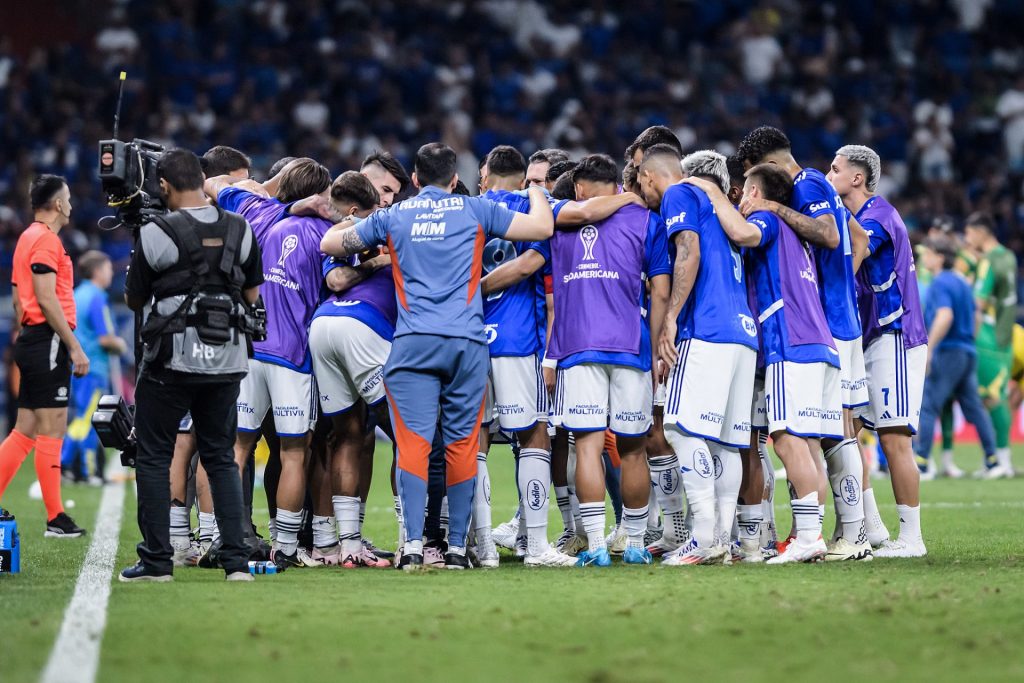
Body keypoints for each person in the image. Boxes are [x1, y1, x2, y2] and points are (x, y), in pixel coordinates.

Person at [321, 142, 554, 570]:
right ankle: (457, 550)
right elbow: (541, 229)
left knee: (412, 444)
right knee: (462, 444)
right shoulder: (474, 210)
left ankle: (411, 546)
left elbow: (329, 242)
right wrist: (534, 190)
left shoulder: (395, 215)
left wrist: (362, 221)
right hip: (466, 343)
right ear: (453, 180)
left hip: (412, 344)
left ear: (413, 179)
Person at [119, 148, 263, 582]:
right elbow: (253, 297)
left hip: (170, 361)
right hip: (227, 359)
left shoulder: (155, 230)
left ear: (163, 186)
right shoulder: (241, 228)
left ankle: (157, 562)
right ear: (203, 179)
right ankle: (237, 563)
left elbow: (135, 299)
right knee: (221, 456)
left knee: (155, 454)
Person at [738, 126, 871, 563]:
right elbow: (859, 241)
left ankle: (854, 533)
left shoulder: (806, 184)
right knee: (818, 434)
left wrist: (773, 206)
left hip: (818, 324)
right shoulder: (811, 188)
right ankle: (827, 532)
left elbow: (833, 236)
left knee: (830, 436)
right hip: (826, 318)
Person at [709, 163, 843, 563]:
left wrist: (713, 196)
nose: (740, 199)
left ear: (756, 193)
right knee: (810, 446)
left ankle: (808, 539)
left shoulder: (767, 218)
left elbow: (743, 233)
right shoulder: (796, 234)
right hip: (821, 345)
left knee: (785, 439)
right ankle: (812, 535)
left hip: (791, 342)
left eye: (744, 192)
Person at [547, 154, 670, 567]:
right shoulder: (646, 221)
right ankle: (634, 542)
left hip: (578, 346)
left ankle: (596, 544)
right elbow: (661, 293)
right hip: (630, 346)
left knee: (587, 446)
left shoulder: (557, 217)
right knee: (634, 449)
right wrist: (654, 349)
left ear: (578, 187)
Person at [640, 147, 758, 564]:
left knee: (680, 429)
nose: (641, 188)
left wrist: (671, 317)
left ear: (652, 175)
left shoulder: (680, 192)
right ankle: (723, 540)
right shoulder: (722, 207)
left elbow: (688, 250)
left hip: (706, 328)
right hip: (743, 332)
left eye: (640, 179)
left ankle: (704, 536)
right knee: (727, 442)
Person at [475, 145, 575, 568]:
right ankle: (534, 545)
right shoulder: (537, 210)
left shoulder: (466, 209)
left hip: (470, 339)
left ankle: (480, 546)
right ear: (522, 179)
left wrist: (466, 292)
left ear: (486, 175)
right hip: (518, 340)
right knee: (533, 434)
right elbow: (529, 263)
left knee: (473, 439)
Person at [829, 144, 928, 558]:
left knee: (893, 439)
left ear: (857, 178)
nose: (828, 175)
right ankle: (871, 526)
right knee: (846, 432)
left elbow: (855, 252)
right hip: (869, 338)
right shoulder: (856, 216)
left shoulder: (878, 215)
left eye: (835, 169)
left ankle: (912, 539)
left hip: (896, 337)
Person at [306, 173, 393, 568]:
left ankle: (349, 547)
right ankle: (417, 540)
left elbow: (338, 277)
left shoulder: (339, 234)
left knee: (348, 435)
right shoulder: (394, 229)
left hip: (323, 327)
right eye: (385, 192)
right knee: (409, 434)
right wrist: (379, 262)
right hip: (364, 329)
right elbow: (338, 279)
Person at [0, 174, 88, 537]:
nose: (71, 204)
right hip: (49, 338)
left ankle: (55, 517)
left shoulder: (26, 238)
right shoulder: (46, 240)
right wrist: (73, 345)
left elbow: (21, 297)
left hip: (33, 337)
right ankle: (55, 517)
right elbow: (46, 296)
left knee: (26, 429)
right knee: (52, 428)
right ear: (56, 204)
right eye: (67, 198)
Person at [914, 239, 997, 474]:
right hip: (967, 351)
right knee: (974, 407)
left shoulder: (940, 282)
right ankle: (992, 460)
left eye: (929, 253)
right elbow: (976, 314)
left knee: (929, 405)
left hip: (949, 350)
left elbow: (944, 315)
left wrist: (929, 348)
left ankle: (921, 462)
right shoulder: (961, 281)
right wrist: (969, 340)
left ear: (940, 257)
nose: (925, 259)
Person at [60, 250, 127, 483]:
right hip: (94, 367)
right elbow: (105, 338)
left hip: (77, 366)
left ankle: (67, 466)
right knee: (88, 418)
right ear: (97, 271)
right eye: (108, 269)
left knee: (81, 416)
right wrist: (120, 345)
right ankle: (82, 469)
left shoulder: (77, 294)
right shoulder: (98, 297)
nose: (111, 274)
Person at [964, 212, 1018, 478]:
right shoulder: (1008, 256)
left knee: (992, 398)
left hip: (988, 338)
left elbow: (978, 302)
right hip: (1007, 335)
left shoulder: (987, 262)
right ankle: (999, 460)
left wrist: (969, 335)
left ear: (981, 231)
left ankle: (1002, 462)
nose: (967, 238)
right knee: (996, 397)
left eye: (969, 233)